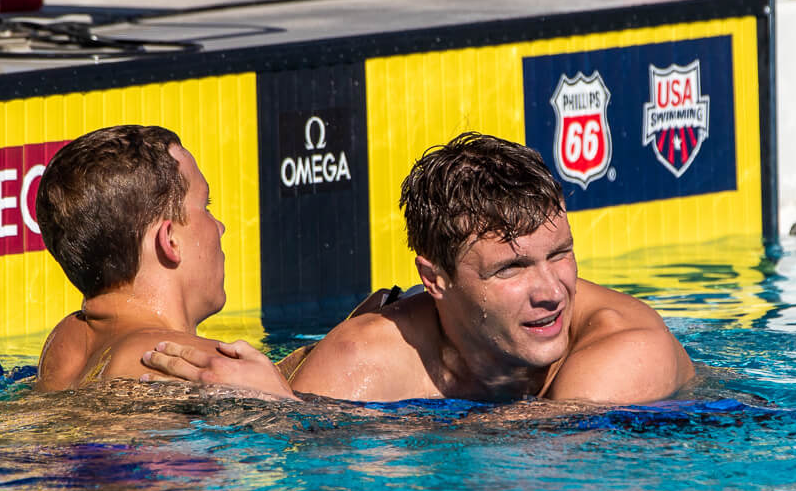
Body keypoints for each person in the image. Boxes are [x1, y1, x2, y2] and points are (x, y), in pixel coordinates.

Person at [145, 131, 695, 405]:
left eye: (560, 254)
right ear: (435, 279)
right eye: (511, 269)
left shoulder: (622, 350)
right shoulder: (368, 353)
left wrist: (282, 412)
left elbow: (542, 475)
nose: (551, 291)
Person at [32, 124, 295, 398]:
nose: (220, 227)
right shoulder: (193, 365)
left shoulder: (64, 343)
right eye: (206, 206)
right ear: (170, 240)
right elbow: (309, 435)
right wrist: (283, 400)